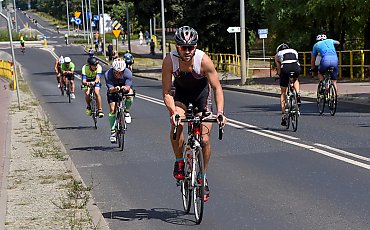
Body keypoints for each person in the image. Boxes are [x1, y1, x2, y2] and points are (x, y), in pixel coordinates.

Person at [161, 26, 227, 202]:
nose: (188, 51)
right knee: (177, 123)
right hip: (181, 96)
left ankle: (202, 177)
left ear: (196, 47)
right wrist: (173, 111)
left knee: (204, 140)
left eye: (191, 47)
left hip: (201, 97)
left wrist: (220, 112)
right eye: (184, 47)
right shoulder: (169, 61)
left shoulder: (203, 60)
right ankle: (180, 161)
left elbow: (216, 87)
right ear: (177, 47)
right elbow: (167, 92)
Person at [105, 58, 134, 143]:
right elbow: (110, 89)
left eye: (120, 73)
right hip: (113, 88)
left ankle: (126, 111)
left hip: (124, 85)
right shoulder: (108, 74)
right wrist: (115, 89)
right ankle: (113, 132)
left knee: (130, 94)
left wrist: (125, 88)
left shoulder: (128, 73)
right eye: (116, 73)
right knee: (112, 109)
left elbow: (128, 86)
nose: (118, 74)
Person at [274, 43, 301, 126]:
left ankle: (284, 116)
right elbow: (296, 62)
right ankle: (298, 94)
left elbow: (279, 68)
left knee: (283, 92)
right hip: (296, 67)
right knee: (295, 79)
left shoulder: (277, 55)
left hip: (285, 68)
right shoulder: (294, 51)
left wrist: (279, 74)